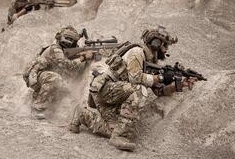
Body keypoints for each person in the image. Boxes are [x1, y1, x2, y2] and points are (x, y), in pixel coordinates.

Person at [69, 26, 198, 151]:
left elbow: (159, 91)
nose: (166, 50)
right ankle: (120, 137)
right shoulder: (137, 52)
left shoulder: (150, 62)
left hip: (114, 95)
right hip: (105, 90)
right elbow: (135, 78)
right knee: (139, 90)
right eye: (165, 45)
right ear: (156, 43)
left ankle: (82, 114)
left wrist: (176, 84)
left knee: (117, 128)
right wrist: (162, 77)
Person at [23, 26, 94, 118]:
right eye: (68, 39)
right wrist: (83, 57)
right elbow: (67, 65)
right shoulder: (55, 49)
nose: (70, 42)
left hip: (44, 77)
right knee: (55, 78)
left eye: (72, 40)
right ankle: (37, 108)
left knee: (66, 88)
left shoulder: (65, 50)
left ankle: (40, 102)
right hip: (35, 76)